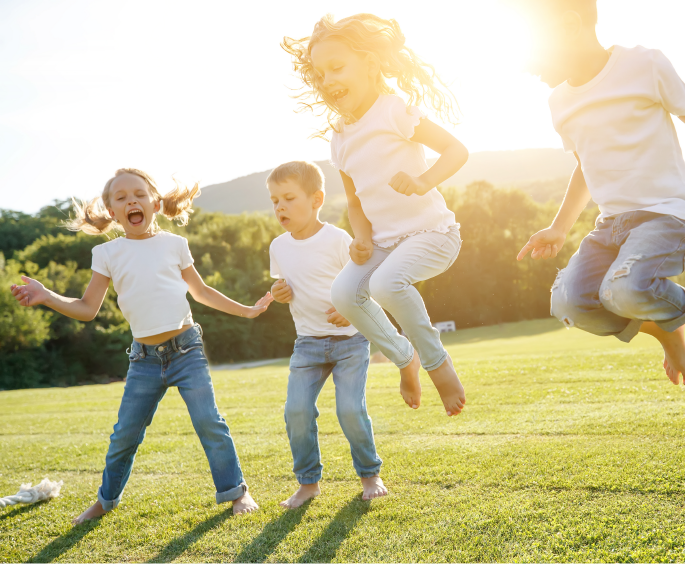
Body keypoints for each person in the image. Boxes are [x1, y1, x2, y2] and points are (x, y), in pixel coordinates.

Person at [516, 0, 685, 385]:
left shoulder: (643, 66)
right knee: (569, 302)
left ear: (570, 25)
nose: (527, 63)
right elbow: (585, 166)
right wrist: (559, 227)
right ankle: (664, 327)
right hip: (611, 227)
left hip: (668, 216)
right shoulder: (560, 103)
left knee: (623, 290)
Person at [10, 168, 273, 523]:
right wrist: (47, 295)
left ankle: (236, 491)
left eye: (139, 194)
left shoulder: (174, 244)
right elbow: (88, 309)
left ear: (155, 202)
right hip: (143, 360)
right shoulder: (106, 253)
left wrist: (247, 311)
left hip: (186, 350)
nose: (131, 200)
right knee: (125, 435)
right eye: (121, 198)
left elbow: (201, 292)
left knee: (209, 422)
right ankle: (105, 500)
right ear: (112, 212)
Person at [282, 13, 469, 416]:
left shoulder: (394, 111)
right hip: (383, 243)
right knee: (344, 294)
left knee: (386, 284)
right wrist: (362, 236)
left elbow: (457, 150)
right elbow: (354, 200)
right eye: (320, 73)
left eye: (337, 67)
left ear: (369, 64)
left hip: (433, 234)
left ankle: (438, 364)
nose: (328, 80)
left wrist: (422, 180)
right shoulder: (340, 137)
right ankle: (405, 359)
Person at [268, 161, 387, 508]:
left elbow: (365, 282)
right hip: (306, 344)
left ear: (317, 198)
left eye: (289, 198)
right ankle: (308, 484)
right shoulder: (278, 246)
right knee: (296, 411)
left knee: (351, 409)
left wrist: (349, 307)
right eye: (275, 201)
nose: (280, 207)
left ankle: (370, 474)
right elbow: (283, 286)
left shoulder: (338, 239)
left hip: (351, 341)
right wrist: (280, 292)